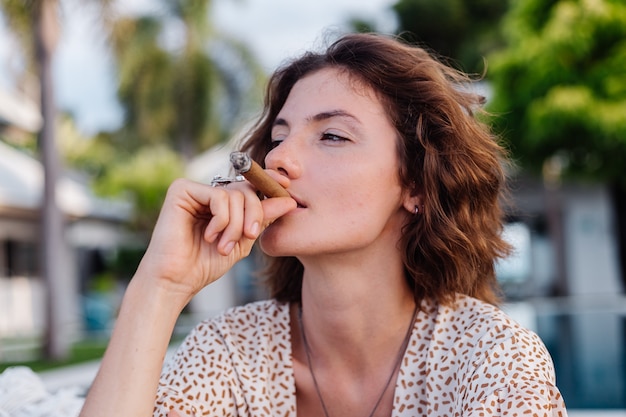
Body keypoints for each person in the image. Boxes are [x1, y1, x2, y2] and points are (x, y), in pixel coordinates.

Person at [79, 32, 567, 417]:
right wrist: (160, 286)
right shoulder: (229, 353)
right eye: (278, 136)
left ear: (415, 185)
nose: (279, 159)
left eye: (332, 136)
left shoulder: (490, 357)